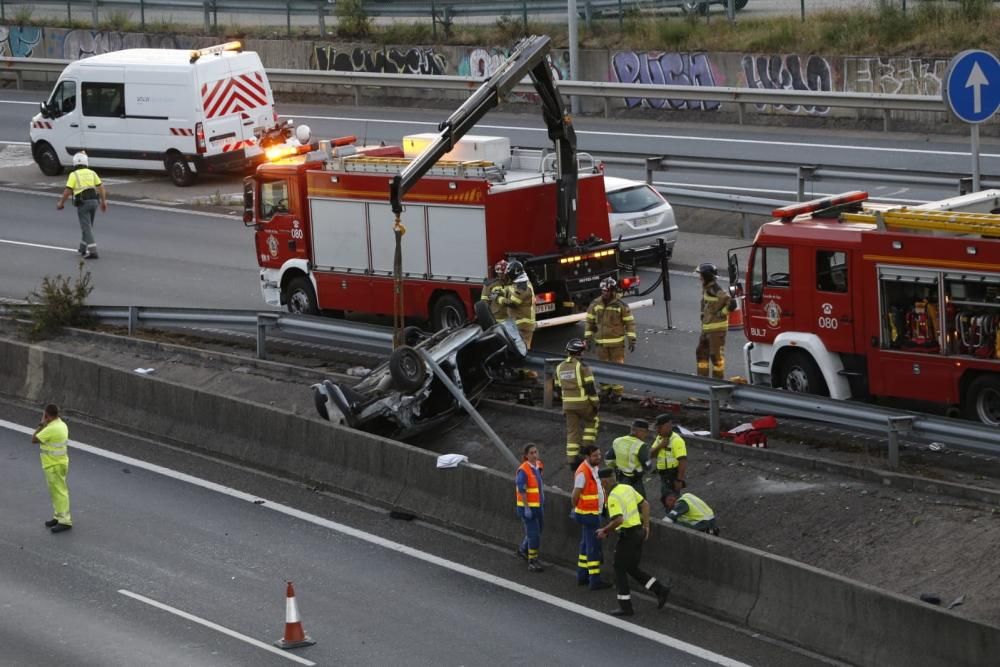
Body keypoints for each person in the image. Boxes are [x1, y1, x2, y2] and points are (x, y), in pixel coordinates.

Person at [596, 471, 670, 616]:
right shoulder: (627, 488)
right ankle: (660, 589)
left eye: (601, 481)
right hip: (639, 533)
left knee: (619, 568)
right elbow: (646, 505)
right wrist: (646, 526)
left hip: (628, 536)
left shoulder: (613, 497)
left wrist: (605, 530)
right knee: (631, 567)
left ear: (604, 482)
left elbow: (618, 520)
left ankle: (625, 606)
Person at [584, 277, 636, 400]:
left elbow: (630, 323)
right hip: (601, 344)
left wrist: (631, 339)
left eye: (607, 291)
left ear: (613, 291)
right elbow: (589, 322)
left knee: (617, 369)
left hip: (617, 344)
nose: (604, 293)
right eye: (603, 291)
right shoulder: (595, 304)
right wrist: (588, 338)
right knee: (602, 369)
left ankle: (617, 393)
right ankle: (605, 390)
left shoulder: (621, 305)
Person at [555, 338, 600, 470]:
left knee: (572, 432)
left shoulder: (559, 367)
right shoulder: (583, 367)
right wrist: (596, 404)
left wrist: (565, 401)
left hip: (568, 405)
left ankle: (572, 461)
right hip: (583, 404)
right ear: (580, 352)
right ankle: (585, 450)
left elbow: (557, 389)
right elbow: (590, 388)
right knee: (592, 421)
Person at [571, 446, 611, 591]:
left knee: (585, 545)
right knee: (593, 547)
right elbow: (575, 495)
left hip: (592, 513)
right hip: (589, 515)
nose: (598, 457)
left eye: (599, 455)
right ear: (587, 457)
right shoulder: (583, 472)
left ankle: (582, 576)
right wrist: (576, 509)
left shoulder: (593, 468)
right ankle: (594, 581)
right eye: (595, 456)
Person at [56, 151, 108, 260]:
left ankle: (93, 252)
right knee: (88, 226)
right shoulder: (92, 173)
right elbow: (101, 187)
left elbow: (68, 190)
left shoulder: (73, 175)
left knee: (86, 227)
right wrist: (104, 202)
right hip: (94, 201)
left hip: (83, 203)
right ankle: (83, 248)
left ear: (75, 163)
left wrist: (61, 203)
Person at [31, 403, 73, 533]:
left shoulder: (50, 429)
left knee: (60, 492)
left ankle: (65, 521)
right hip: (60, 463)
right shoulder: (62, 425)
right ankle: (58, 516)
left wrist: (41, 423)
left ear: (47, 415)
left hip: (53, 465)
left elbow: (34, 439)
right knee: (56, 492)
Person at [696, 262, 731, 378]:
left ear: (706, 276)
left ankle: (717, 385)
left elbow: (732, 303)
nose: (699, 277)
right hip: (706, 329)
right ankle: (702, 383)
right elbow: (706, 303)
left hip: (716, 330)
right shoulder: (707, 288)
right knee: (701, 354)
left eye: (701, 275)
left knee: (716, 358)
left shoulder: (715, 289)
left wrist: (721, 313)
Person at [515, 443, 545, 572]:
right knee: (534, 535)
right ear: (526, 456)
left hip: (538, 506)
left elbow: (538, 485)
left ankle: (523, 549)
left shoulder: (538, 465)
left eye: (535, 452)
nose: (534, 455)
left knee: (538, 531)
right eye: (531, 453)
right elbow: (521, 490)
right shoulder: (523, 470)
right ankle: (532, 561)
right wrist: (527, 508)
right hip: (528, 508)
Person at [606, 419, 651, 500]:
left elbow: (608, 458)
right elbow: (647, 465)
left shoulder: (617, 441)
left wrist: (615, 468)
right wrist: (645, 470)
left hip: (620, 477)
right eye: (646, 432)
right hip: (635, 479)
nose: (646, 435)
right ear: (639, 431)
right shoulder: (641, 446)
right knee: (641, 501)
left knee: (620, 498)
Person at [497, 260, 536, 349]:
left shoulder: (522, 286)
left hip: (523, 324)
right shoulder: (521, 282)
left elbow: (513, 303)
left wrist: (499, 299)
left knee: (523, 349)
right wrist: (503, 291)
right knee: (518, 348)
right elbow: (512, 289)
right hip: (519, 322)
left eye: (509, 274)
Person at [649, 413, 687, 498]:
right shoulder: (659, 438)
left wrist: (679, 480)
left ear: (668, 426)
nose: (657, 431)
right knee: (667, 498)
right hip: (663, 475)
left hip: (672, 475)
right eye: (657, 428)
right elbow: (651, 454)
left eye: (659, 428)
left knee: (671, 499)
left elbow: (683, 462)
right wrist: (660, 446)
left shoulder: (676, 440)